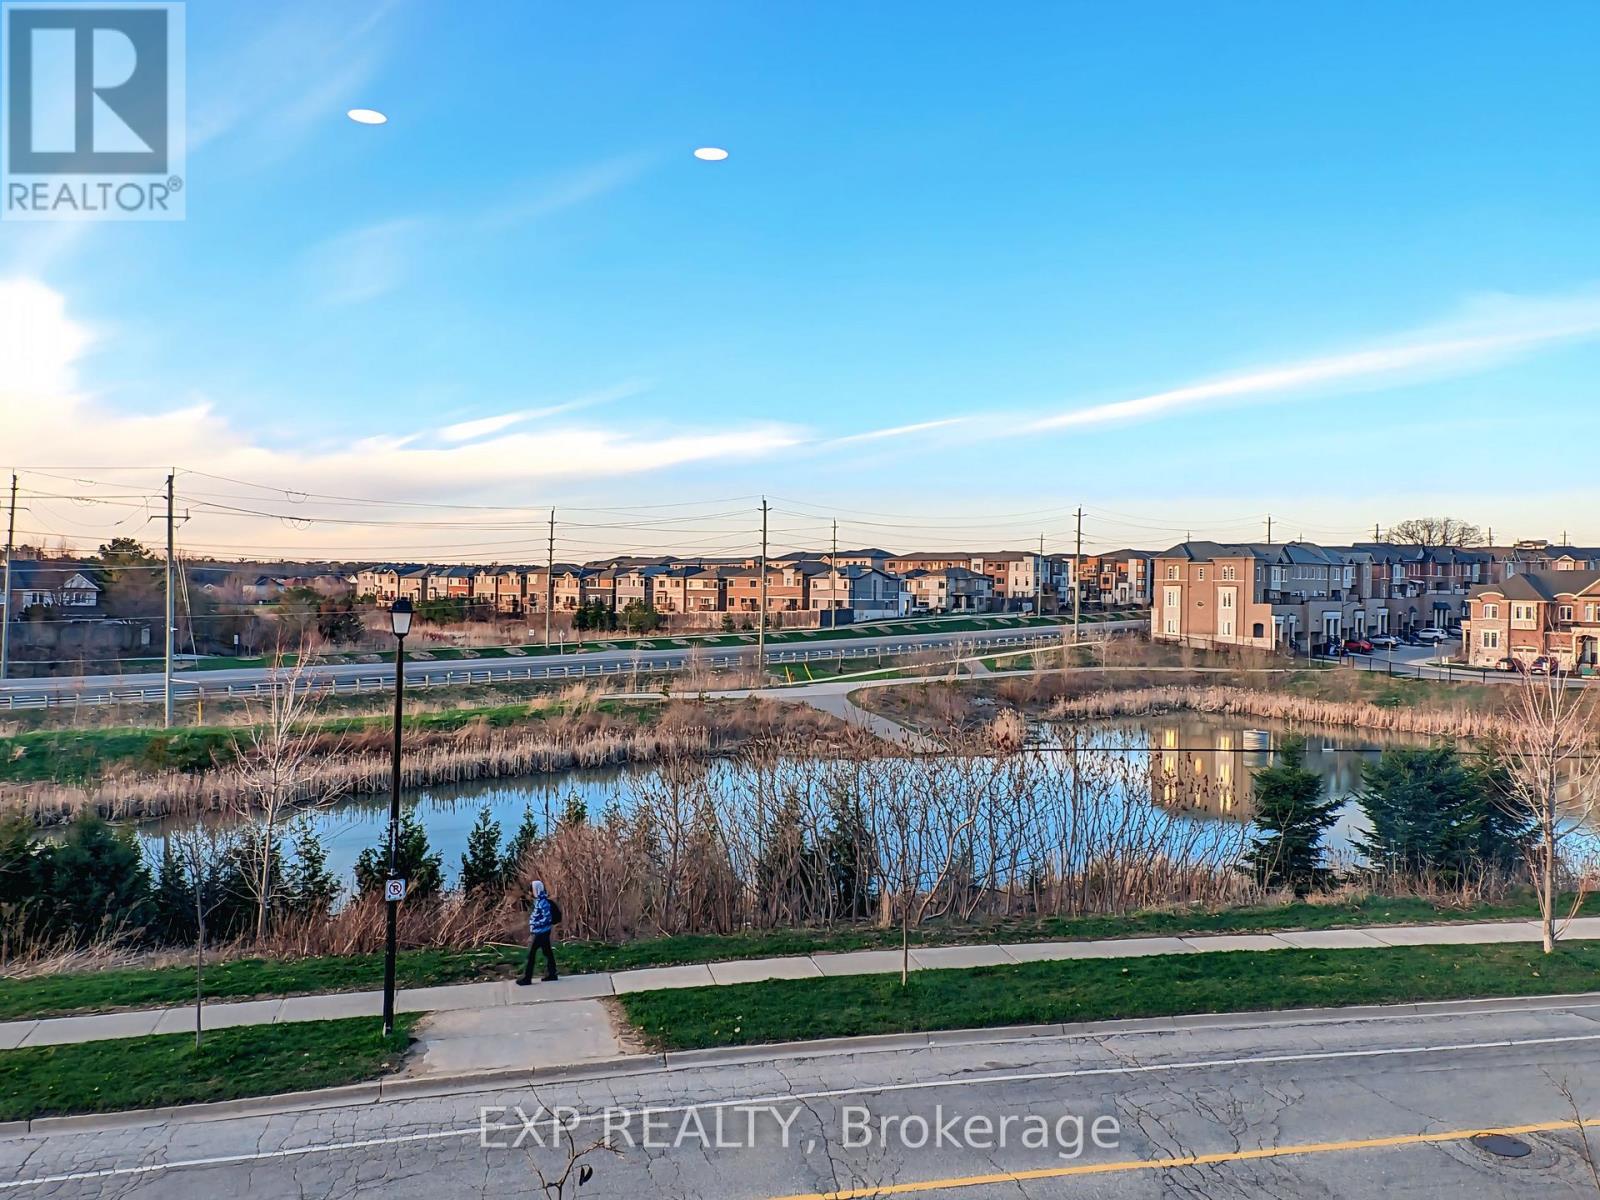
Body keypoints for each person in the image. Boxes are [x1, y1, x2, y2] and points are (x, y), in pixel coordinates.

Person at [516, 879, 560, 984]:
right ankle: (552, 973)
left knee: (531, 954)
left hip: (540, 931)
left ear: (535, 890)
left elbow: (547, 918)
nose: (530, 893)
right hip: (543, 931)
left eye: (531, 890)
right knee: (547, 952)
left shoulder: (542, 903)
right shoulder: (540, 901)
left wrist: (535, 924)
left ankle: (527, 977)